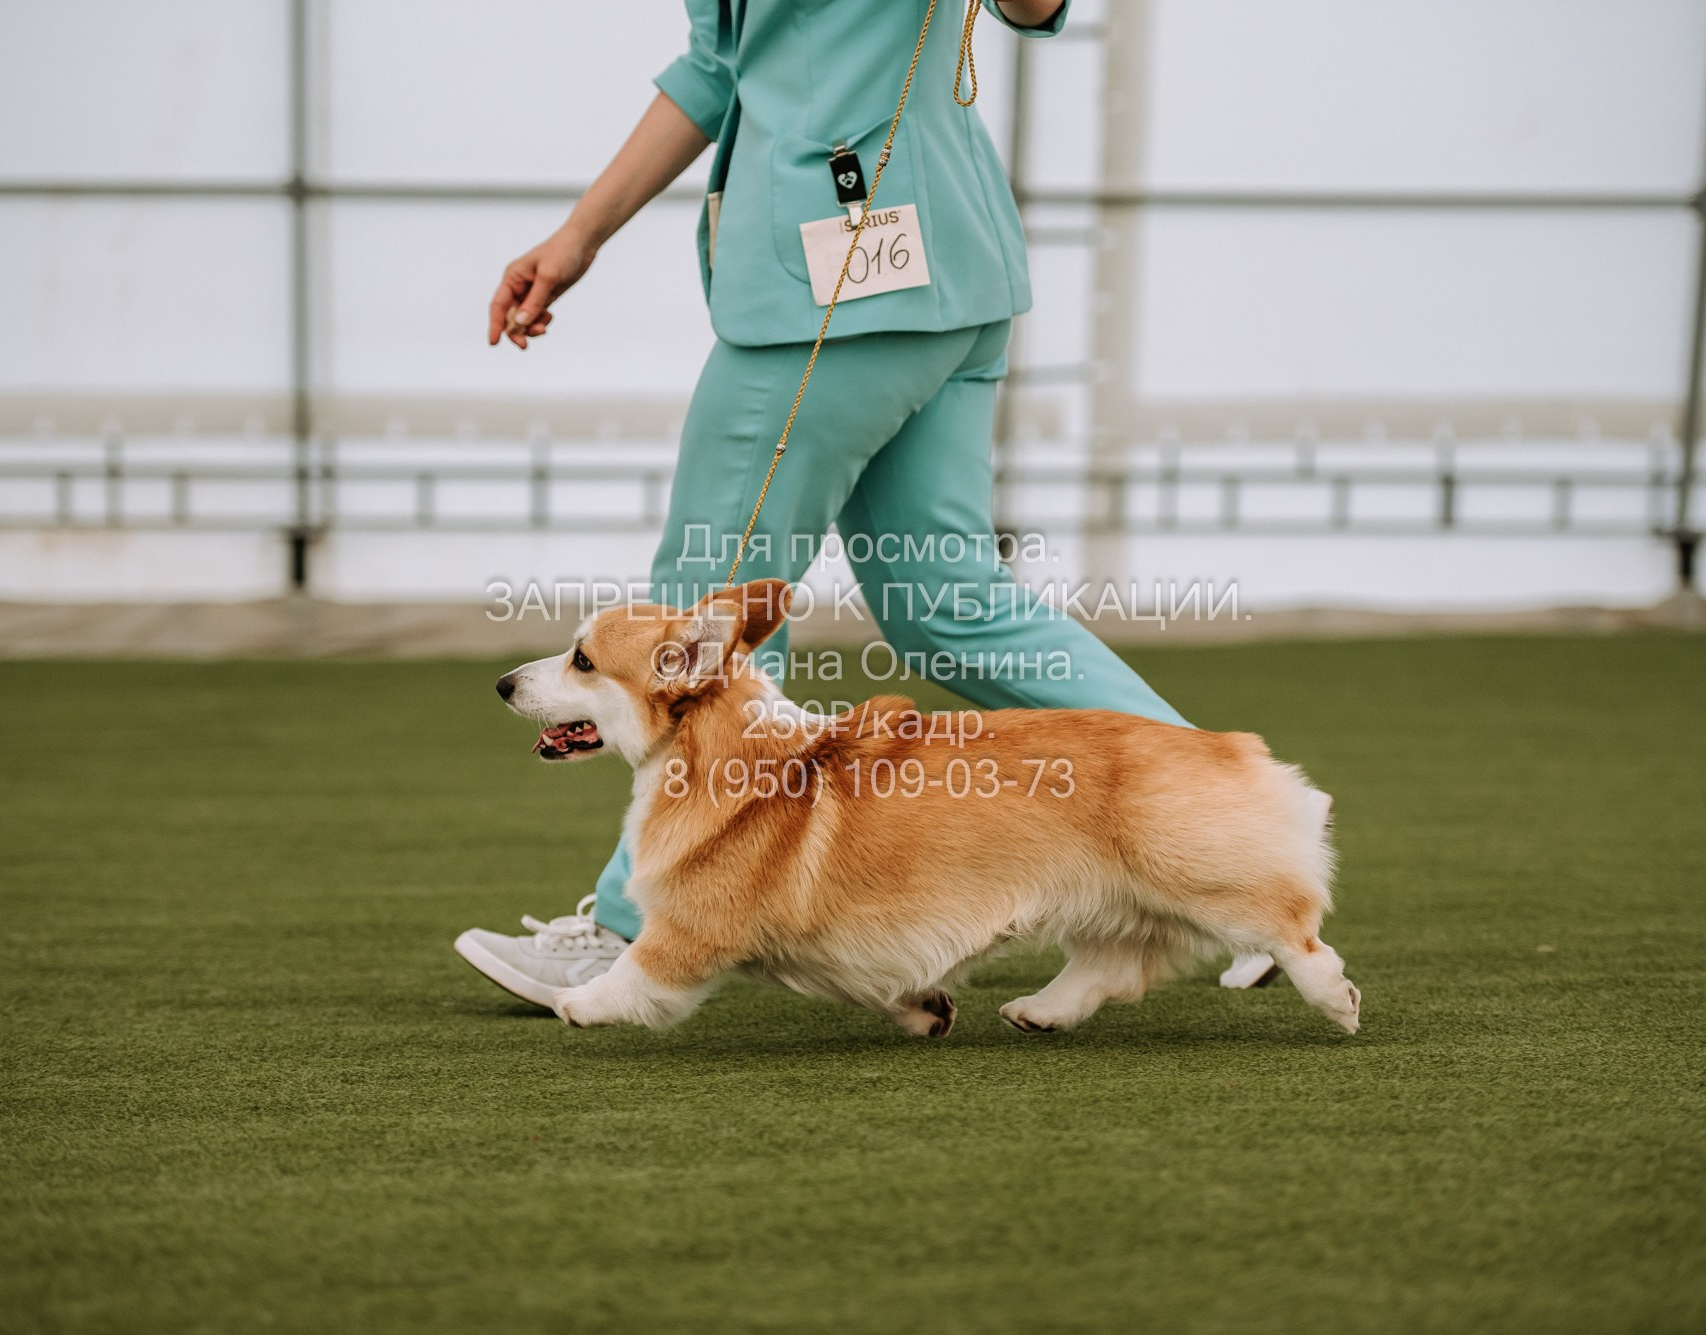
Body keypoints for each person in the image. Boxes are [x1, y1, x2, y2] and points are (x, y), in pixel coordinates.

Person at [455, 0, 1282, 1007]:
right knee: (948, 605)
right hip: (941, 273)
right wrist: (579, 235)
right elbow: (718, 64)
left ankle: (635, 929)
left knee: (700, 608)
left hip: (833, 291)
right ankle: (1225, 829)